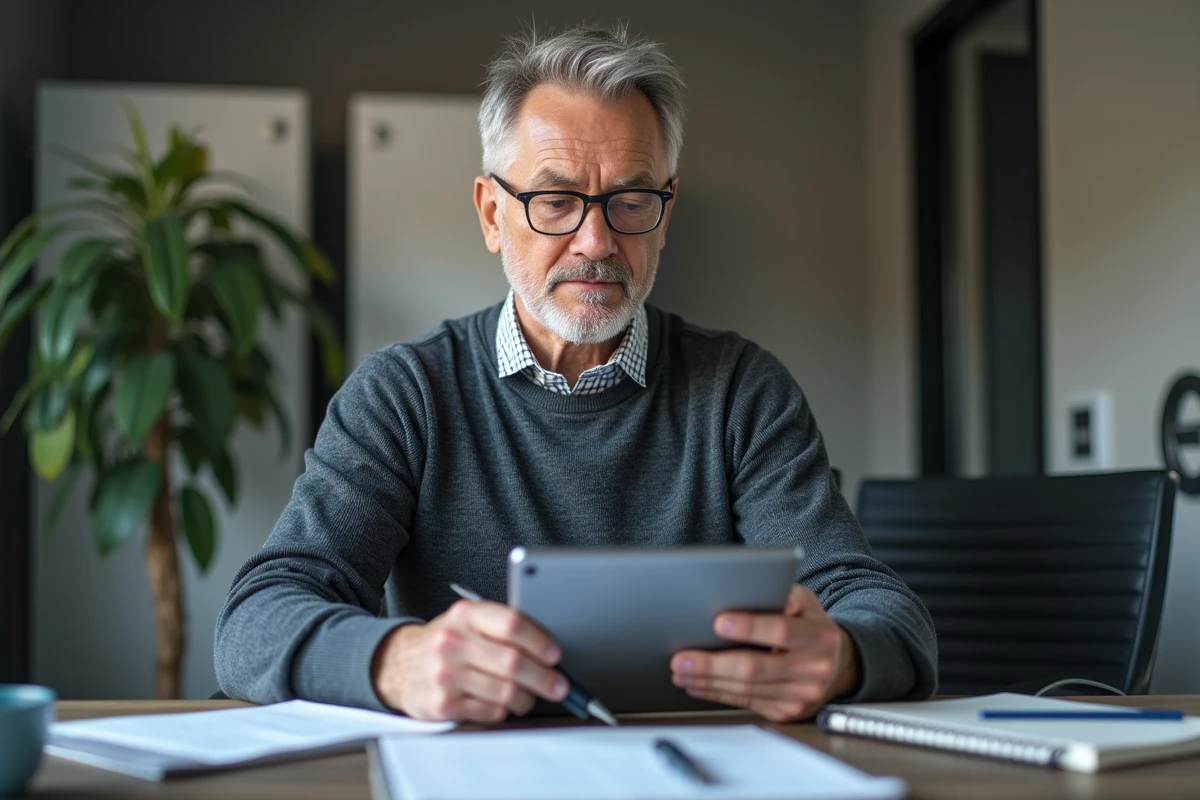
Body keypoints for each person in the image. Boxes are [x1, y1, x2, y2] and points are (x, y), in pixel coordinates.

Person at [215, 22, 937, 724]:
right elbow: (255, 618)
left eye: (631, 201)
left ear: (665, 214)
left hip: (700, 764)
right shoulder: (404, 397)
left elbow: (883, 610)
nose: (596, 242)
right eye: (556, 201)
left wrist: (841, 656)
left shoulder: (743, 393)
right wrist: (394, 661)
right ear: (492, 214)